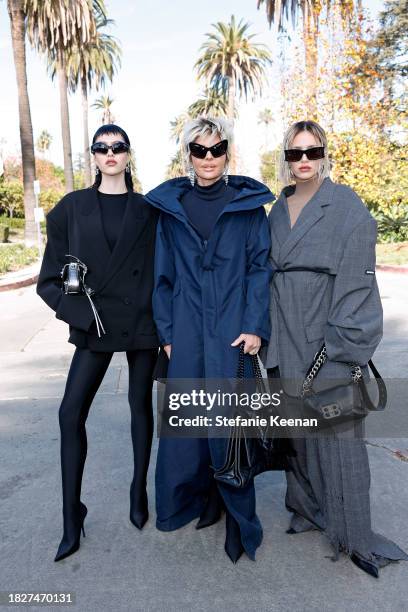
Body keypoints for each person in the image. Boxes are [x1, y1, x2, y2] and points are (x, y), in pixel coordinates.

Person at [262, 119, 408, 577]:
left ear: (324, 153)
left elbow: (358, 279)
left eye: (311, 151)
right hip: (282, 331)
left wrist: (342, 344)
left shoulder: (345, 205)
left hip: (326, 333)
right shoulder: (276, 209)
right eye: (294, 153)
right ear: (285, 158)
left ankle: (356, 534)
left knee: (340, 436)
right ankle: (307, 508)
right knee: (297, 434)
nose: (303, 161)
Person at [144, 117, 273, 563]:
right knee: (187, 425)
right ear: (188, 155)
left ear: (227, 153)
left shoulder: (248, 207)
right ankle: (190, 504)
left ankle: (239, 520)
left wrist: (256, 325)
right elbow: (162, 277)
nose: (209, 158)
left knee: (229, 425)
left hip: (233, 330)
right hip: (186, 328)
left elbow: (260, 269)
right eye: (200, 150)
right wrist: (168, 334)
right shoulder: (171, 209)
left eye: (216, 149)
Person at [37, 124, 159, 562]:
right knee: (69, 413)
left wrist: (166, 329)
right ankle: (73, 515)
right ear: (93, 155)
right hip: (95, 325)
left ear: (128, 154)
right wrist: (81, 316)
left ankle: (137, 492)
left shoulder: (149, 209)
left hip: (142, 324)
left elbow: (163, 271)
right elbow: (49, 281)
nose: (110, 153)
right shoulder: (70, 209)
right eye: (102, 147)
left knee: (140, 407)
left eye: (118, 147)